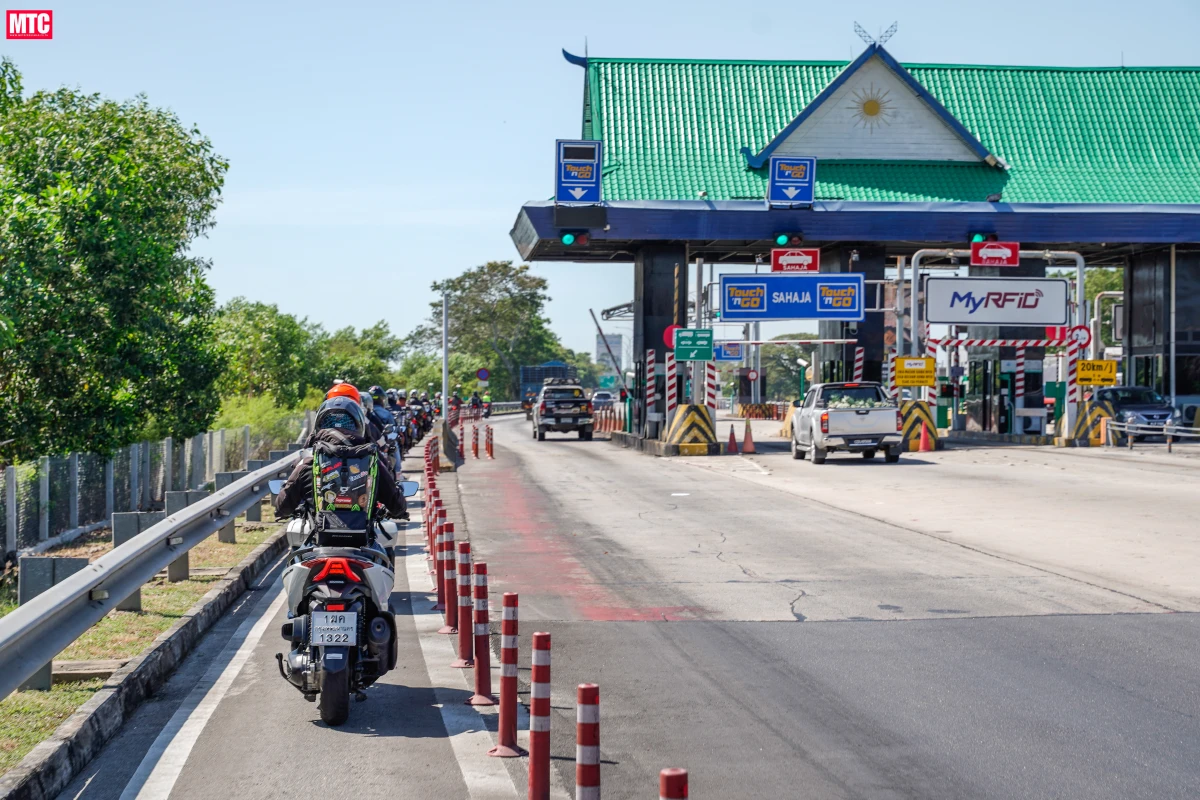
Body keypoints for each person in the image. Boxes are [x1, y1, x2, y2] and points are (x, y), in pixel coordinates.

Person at [274, 396, 408, 526]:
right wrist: (398, 510)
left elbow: (283, 507)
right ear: (359, 426)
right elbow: (397, 506)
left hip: (318, 535)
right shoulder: (371, 460)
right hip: (363, 536)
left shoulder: (309, 459)